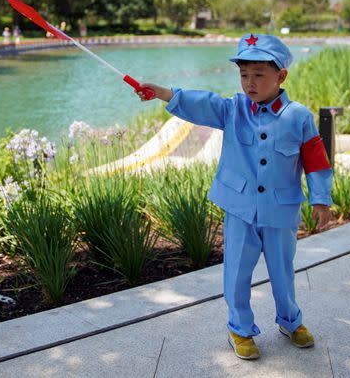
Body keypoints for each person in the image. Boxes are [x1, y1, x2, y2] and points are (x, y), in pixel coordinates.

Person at [137, 33, 333, 360]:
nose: (250, 83)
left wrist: (321, 199)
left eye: (259, 75)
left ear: (281, 76)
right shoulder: (233, 109)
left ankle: (290, 321)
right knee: (237, 272)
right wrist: (164, 93)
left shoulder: (299, 116)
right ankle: (239, 328)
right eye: (244, 75)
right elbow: (202, 103)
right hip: (240, 209)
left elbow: (315, 160)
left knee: (283, 271)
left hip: (281, 210)